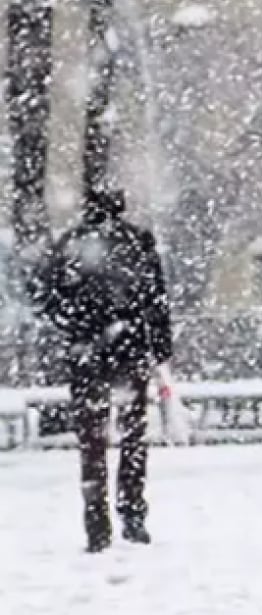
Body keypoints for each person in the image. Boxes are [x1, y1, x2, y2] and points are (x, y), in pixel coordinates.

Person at [29, 189, 172, 553]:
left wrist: (75, 325)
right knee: (133, 436)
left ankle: (96, 521)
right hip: (130, 349)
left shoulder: (70, 245)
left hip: (87, 354)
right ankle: (132, 513)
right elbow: (156, 300)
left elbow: (43, 295)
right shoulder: (136, 242)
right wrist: (159, 348)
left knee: (92, 441)